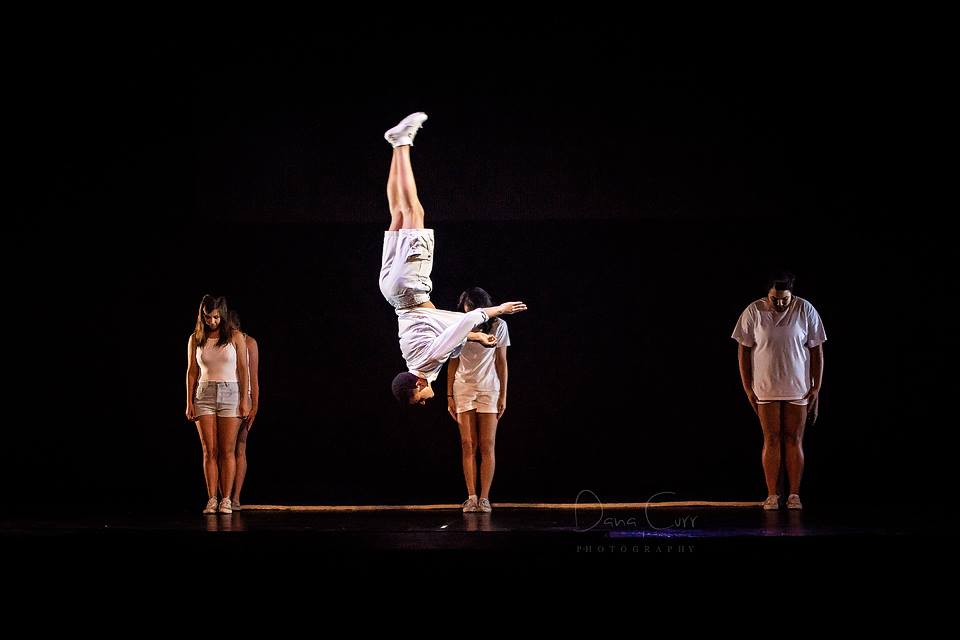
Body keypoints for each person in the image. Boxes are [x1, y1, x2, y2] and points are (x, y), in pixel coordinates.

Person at [378, 112, 527, 405]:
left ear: (419, 383)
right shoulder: (414, 360)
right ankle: (396, 145)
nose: (424, 401)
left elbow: (468, 319)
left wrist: (500, 309)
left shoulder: (430, 363)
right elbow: (446, 333)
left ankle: (403, 142)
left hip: (411, 288)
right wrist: (476, 338)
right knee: (396, 214)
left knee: (413, 213)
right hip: (391, 291)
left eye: (418, 398)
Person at [732, 272, 826, 511]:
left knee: (794, 439)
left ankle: (794, 495)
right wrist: (747, 388)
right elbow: (743, 350)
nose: (781, 303)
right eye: (775, 298)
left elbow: (817, 350)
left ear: (791, 294)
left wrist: (816, 387)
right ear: (768, 294)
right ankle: (772, 495)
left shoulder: (805, 309)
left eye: (785, 298)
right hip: (765, 386)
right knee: (772, 439)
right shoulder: (754, 311)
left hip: (798, 386)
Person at [446, 287, 511, 513]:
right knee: (467, 444)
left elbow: (501, 362)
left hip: (489, 388)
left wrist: (503, 393)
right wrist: (449, 395)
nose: (470, 315)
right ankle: (471, 496)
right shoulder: (459, 325)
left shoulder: (499, 326)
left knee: (487, 444)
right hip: (463, 387)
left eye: (474, 310)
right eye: (467, 310)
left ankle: (484, 498)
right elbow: (452, 360)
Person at [185, 295, 250, 514]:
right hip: (204, 393)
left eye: (215, 317)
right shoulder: (196, 338)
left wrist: (244, 399)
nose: (212, 321)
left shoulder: (235, 336)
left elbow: (243, 369)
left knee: (227, 450)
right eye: (207, 317)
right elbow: (192, 371)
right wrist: (189, 402)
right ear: (202, 316)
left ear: (222, 314)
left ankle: (226, 499)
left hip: (231, 391)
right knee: (208, 450)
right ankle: (212, 498)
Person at [228, 310, 259, 512]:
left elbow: (254, 378)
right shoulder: (220, 342)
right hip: (225, 397)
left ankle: (235, 497)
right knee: (225, 451)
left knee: (239, 448)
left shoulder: (248, 343)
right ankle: (225, 497)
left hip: (243, 399)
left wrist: (254, 406)